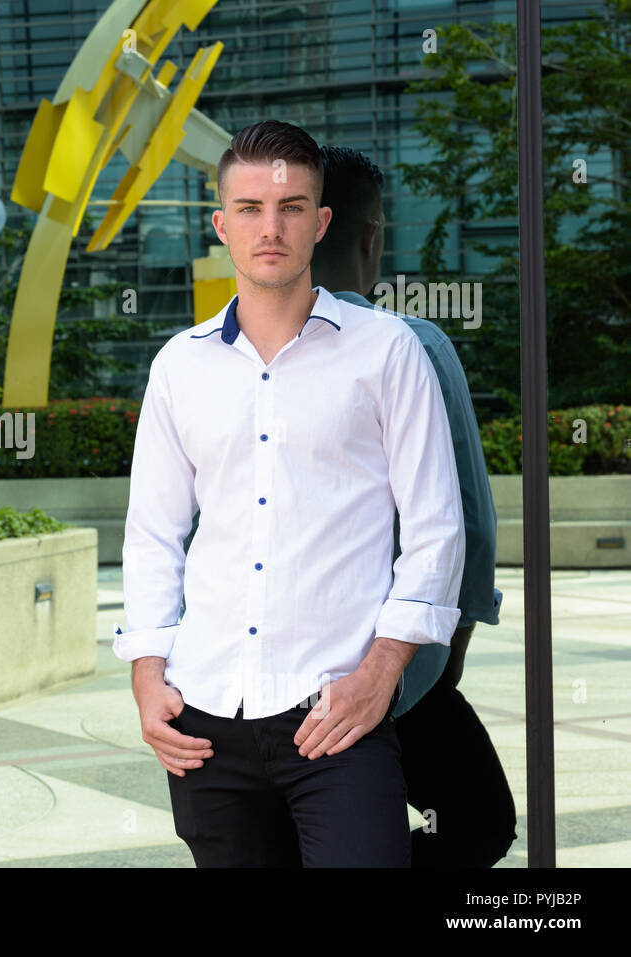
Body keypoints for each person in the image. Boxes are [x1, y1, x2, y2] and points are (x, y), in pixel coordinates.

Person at [115, 119, 465, 867]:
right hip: (204, 717)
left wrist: (381, 674)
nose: (269, 227)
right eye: (249, 208)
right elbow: (151, 534)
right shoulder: (180, 366)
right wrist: (148, 676)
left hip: (335, 713)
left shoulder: (389, 351)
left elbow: (437, 528)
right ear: (221, 224)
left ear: (321, 221)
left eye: (291, 207)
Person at [312, 145, 516, 866]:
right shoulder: (415, 344)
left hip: (265, 682)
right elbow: (469, 521)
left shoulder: (225, 355)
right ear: (370, 235)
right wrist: (449, 646)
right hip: (390, 663)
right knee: (477, 820)